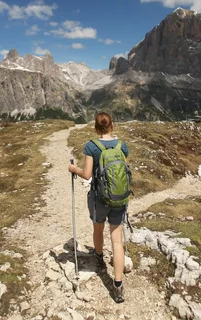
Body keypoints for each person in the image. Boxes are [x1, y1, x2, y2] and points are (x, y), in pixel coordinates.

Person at [68, 111, 129, 303]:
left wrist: (73, 169)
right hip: (119, 198)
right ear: (112, 126)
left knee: (98, 228)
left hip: (99, 198)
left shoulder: (91, 146)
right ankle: (118, 286)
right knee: (117, 240)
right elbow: (124, 173)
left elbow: (87, 175)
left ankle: (99, 258)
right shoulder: (122, 146)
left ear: (96, 127)